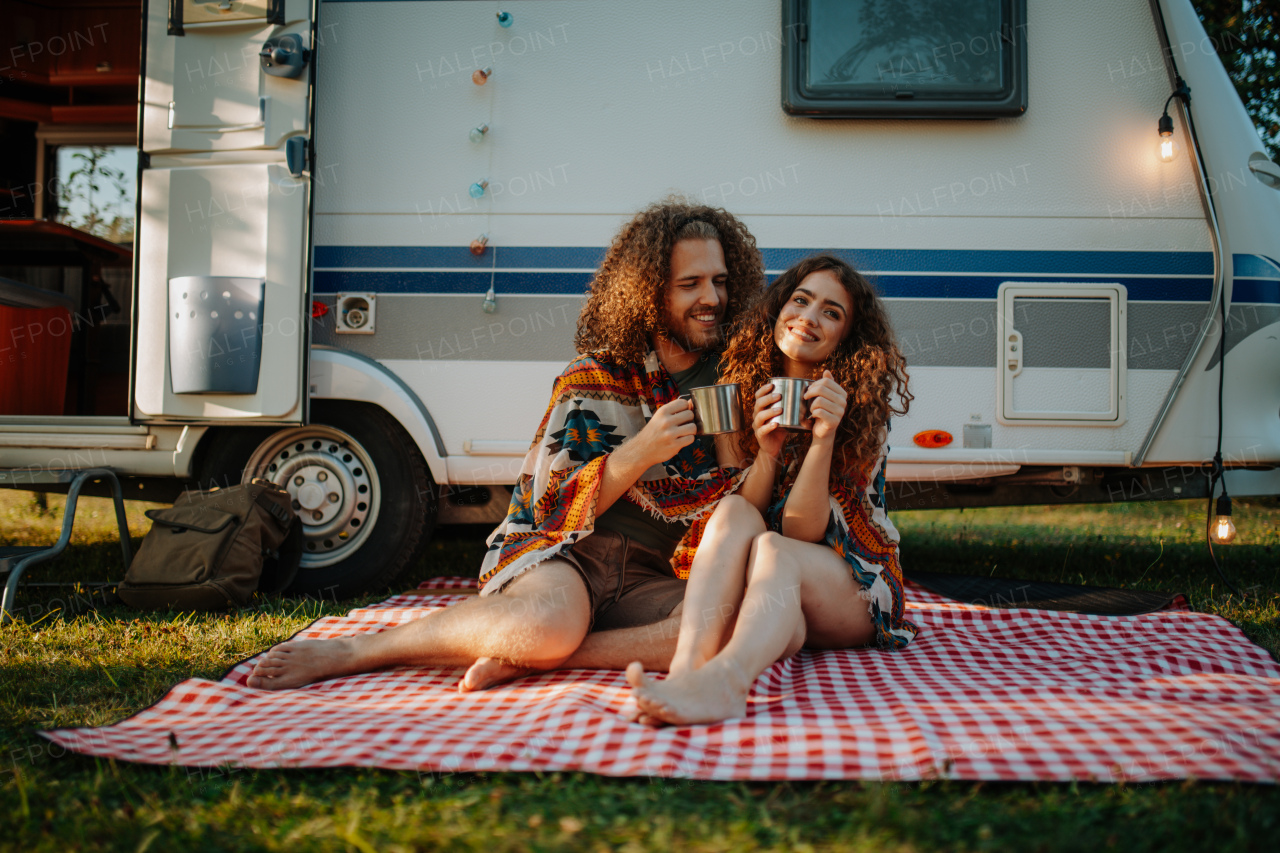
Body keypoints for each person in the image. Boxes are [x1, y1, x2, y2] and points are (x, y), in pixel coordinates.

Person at [246, 199, 764, 692]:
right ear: (651, 292)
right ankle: (358, 652)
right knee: (545, 624)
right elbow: (551, 510)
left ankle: (541, 656)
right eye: (690, 284)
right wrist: (640, 451)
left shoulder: (737, 378)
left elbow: (735, 503)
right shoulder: (594, 377)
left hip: (657, 569)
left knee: (728, 622)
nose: (712, 299)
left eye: (719, 282)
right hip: (572, 557)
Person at [625, 254, 918, 726]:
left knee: (774, 549)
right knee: (734, 516)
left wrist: (823, 438)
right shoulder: (740, 392)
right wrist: (768, 450)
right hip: (778, 593)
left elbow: (801, 534)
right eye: (800, 300)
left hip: (851, 584)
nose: (808, 317)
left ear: (847, 336)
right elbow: (748, 513)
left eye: (831, 311)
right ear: (779, 307)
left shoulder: (860, 407)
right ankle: (686, 674)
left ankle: (728, 684)